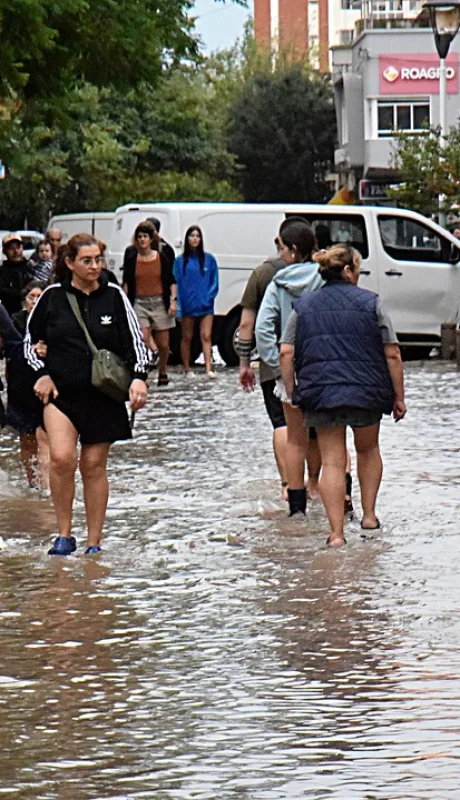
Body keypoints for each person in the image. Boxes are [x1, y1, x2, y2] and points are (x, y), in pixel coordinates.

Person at [25, 233, 149, 556]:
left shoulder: (115, 297)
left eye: (98, 260)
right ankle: (64, 534)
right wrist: (42, 374)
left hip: (103, 395)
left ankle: (94, 542)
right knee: (62, 458)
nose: (95, 266)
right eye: (87, 261)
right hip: (61, 393)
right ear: (69, 263)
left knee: (93, 465)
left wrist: (139, 379)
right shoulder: (51, 297)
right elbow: (29, 341)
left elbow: (136, 344)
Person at [280, 245, 406, 548]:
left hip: (321, 392)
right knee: (368, 449)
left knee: (332, 461)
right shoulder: (372, 303)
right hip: (367, 391)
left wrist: (293, 391)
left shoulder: (304, 305)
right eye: (358, 269)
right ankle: (369, 517)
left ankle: (336, 534)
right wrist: (399, 397)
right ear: (348, 270)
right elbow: (393, 354)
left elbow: (286, 351)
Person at [236, 216, 313, 501]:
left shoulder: (264, 275)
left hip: (278, 364)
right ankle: (318, 485)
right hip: (317, 364)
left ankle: (288, 486)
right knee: (319, 431)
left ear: (288, 244)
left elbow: (249, 325)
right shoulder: (324, 274)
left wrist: (250, 363)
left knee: (283, 425)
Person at [255, 222, 323, 517]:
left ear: (294, 250)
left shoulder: (277, 284)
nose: (279, 253)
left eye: (281, 247)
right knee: (329, 436)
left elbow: (262, 328)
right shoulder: (325, 279)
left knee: (295, 440)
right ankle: (326, 490)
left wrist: (277, 362)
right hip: (324, 368)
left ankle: (297, 508)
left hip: (291, 369)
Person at [122, 221, 177, 387]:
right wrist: (125, 302)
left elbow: (170, 280)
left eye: (145, 237)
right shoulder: (132, 258)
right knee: (142, 336)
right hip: (139, 302)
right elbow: (127, 282)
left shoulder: (161, 257)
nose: (142, 240)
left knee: (164, 343)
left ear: (151, 238)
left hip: (159, 301)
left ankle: (163, 371)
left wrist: (173, 300)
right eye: (139, 237)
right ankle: (144, 367)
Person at [8, 281, 50, 489]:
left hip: (47, 385)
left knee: (44, 435)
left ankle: (45, 485)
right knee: (26, 439)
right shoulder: (15, 321)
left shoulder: (52, 322)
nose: (35, 300)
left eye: (39, 296)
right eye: (31, 296)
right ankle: (32, 482)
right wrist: (30, 350)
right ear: (25, 301)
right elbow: (11, 347)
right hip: (20, 387)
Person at [173, 226, 219, 379]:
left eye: (198, 236)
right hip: (187, 305)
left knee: (206, 336)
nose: (195, 239)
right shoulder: (179, 262)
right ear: (187, 239)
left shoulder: (209, 259)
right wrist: (178, 306)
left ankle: (208, 368)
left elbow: (214, 281)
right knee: (187, 337)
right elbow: (176, 283)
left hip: (206, 305)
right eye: (192, 236)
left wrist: (209, 297)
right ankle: (186, 368)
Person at [0, 234, 33, 315]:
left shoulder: (30, 267)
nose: (15, 251)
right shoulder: (2, 271)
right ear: (5, 251)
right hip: (11, 313)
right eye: (11, 248)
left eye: (18, 247)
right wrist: (18, 293)